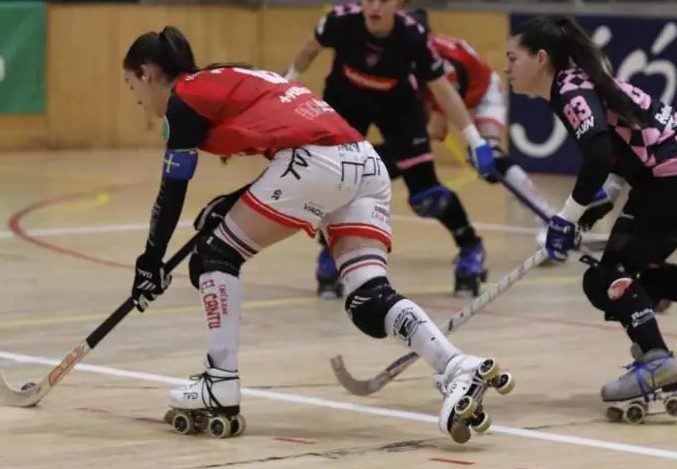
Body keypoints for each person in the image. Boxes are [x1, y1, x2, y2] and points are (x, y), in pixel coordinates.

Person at [122, 26, 513, 443]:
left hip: (317, 163)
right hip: (363, 162)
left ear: (147, 73)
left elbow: (172, 190)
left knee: (214, 255)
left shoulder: (184, 98)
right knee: (368, 300)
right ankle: (458, 367)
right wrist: (229, 203)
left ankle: (220, 382)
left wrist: (150, 262)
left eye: (132, 85)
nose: (136, 98)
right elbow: (290, 138)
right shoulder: (224, 77)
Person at [503, 15, 677, 423]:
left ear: (541, 58)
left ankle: (656, 360)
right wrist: (598, 202)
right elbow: (625, 148)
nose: (506, 68)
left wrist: (566, 217)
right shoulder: (578, 82)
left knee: (605, 277)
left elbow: (599, 154)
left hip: (675, 177)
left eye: (513, 58)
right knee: (637, 275)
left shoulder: (570, 89)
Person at [284, 0, 496, 299]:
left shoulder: (412, 36)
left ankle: (470, 247)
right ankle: (330, 252)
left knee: (426, 196)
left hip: (398, 106)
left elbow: (442, 89)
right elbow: (310, 49)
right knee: (335, 184)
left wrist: (475, 140)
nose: (375, 6)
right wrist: (286, 88)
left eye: (384, 0)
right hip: (346, 100)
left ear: (401, 2)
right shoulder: (341, 21)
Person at [406, 7, 625, 260]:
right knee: (485, 164)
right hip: (460, 99)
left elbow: (445, 107)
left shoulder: (440, 57)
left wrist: (433, 129)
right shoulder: (417, 50)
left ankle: (548, 217)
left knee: (493, 158)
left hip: (482, 95)